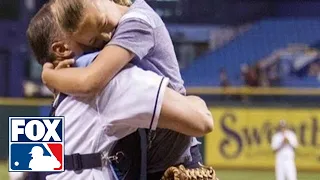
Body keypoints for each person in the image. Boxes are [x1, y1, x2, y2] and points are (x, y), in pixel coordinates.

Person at [19, 2, 214, 180]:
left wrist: (49, 76)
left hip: (167, 152)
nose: (106, 37)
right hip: (161, 154)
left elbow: (27, 162)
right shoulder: (112, 82)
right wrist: (195, 101)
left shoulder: (60, 93)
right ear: (61, 49)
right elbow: (203, 121)